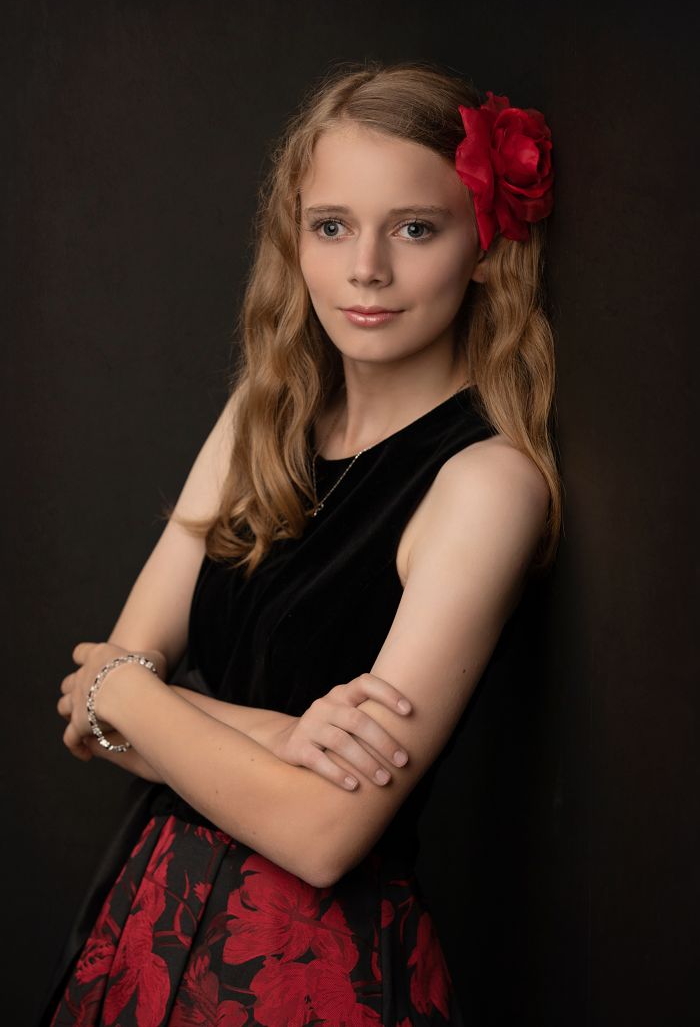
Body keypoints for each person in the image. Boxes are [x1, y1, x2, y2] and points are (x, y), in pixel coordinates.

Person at [40, 59, 560, 1025]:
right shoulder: (261, 418)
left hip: (307, 973)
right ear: (296, 238)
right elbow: (85, 707)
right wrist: (281, 737)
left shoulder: (486, 484)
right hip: (150, 921)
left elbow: (326, 833)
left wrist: (134, 695)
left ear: (488, 245)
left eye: (415, 228)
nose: (366, 268)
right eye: (332, 226)